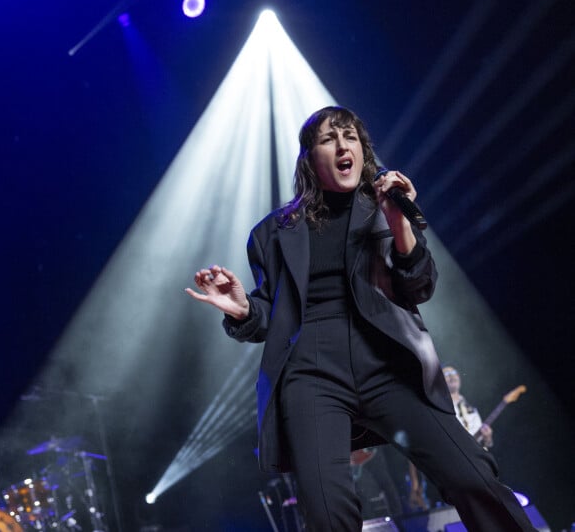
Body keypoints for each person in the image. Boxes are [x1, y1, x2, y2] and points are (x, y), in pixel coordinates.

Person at [185, 106, 536, 531]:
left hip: (387, 362)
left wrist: (399, 223)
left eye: (350, 136)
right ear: (309, 158)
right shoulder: (272, 233)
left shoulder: (384, 209)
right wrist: (243, 308)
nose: (342, 145)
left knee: (473, 475)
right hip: (310, 373)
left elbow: (419, 286)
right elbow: (269, 318)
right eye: (329, 139)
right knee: (328, 515)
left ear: (363, 150)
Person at [443, 365, 494, 448]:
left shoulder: (472, 408)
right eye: (446, 374)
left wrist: (487, 438)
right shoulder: (442, 407)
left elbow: (486, 444)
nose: (451, 376)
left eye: (453, 373)